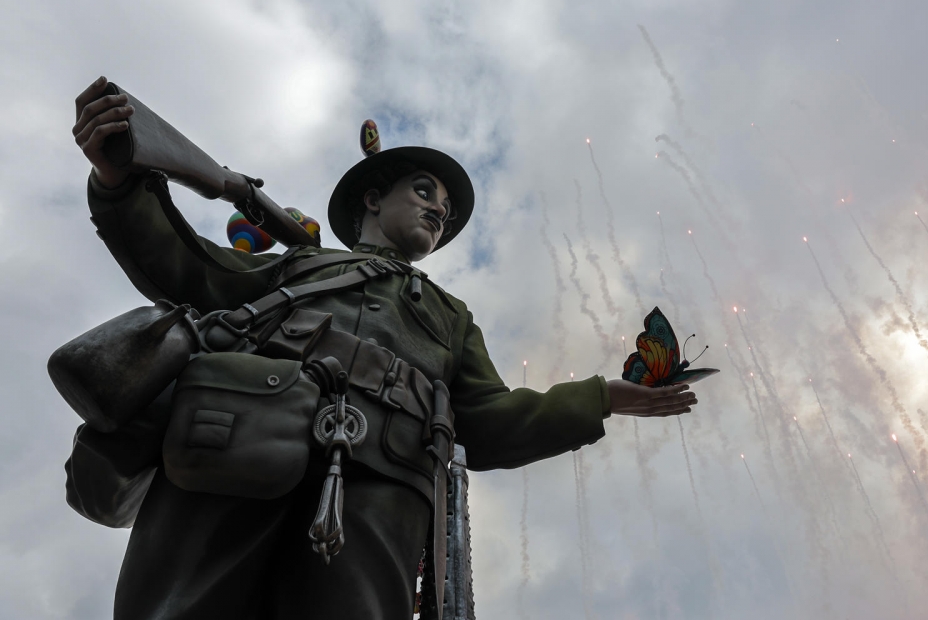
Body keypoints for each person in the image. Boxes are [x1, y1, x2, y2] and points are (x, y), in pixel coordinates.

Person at [67, 77, 698, 619]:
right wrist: (119, 179)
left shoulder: (452, 319)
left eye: (445, 213)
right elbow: (185, 266)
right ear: (374, 199)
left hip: (381, 492)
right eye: (425, 193)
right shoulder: (304, 266)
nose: (437, 214)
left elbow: (489, 422)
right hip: (233, 445)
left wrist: (600, 399)